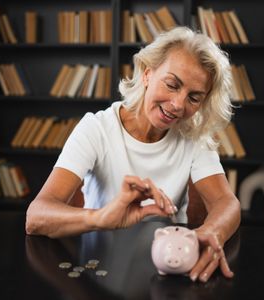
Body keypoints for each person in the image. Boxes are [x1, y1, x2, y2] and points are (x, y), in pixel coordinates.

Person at [26, 26, 241, 283]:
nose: (178, 105)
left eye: (194, 98)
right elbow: (37, 216)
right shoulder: (97, 128)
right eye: (172, 84)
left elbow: (227, 203)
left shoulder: (195, 138)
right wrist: (101, 217)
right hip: (100, 273)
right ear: (147, 73)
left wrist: (211, 232)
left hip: (170, 273)